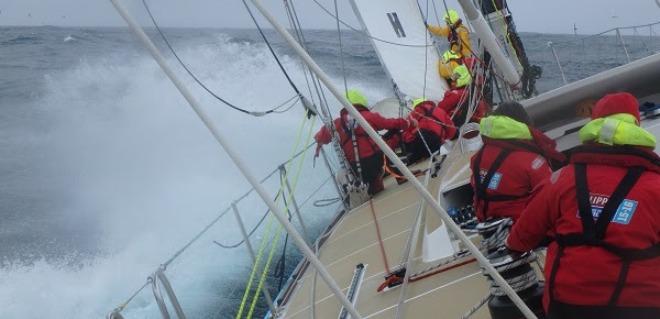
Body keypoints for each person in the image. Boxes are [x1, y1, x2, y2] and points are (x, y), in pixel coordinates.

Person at [506, 92, 660, 319]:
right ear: (636, 128)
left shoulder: (561, 180)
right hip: (640, 308)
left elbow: (519, 240)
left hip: (566, 307)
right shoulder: (655, 186)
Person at [471, 101, 565, 222]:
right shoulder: (532, 162)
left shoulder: (478, 157)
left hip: (487, 221)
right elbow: (551, 198)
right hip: (523, 226)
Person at [314, 89, 416, 195]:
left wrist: (318, 145)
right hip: (375, 162)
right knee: (390, 139)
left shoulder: (337, 124)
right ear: (361, 102)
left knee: (348, 172)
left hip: (356, 169)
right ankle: (400, 176)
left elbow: (321, 136)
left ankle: (368, 189)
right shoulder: (369, 116)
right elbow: (391, 124)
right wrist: (408, 123)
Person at [401, 98, 456, 164]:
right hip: (438, 143)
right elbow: (452, 130)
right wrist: (442, 137)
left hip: (424, 141)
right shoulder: (440, 110)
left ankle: (407, 160)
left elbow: (406, 127)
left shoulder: (416, 112)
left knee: (406, 140)